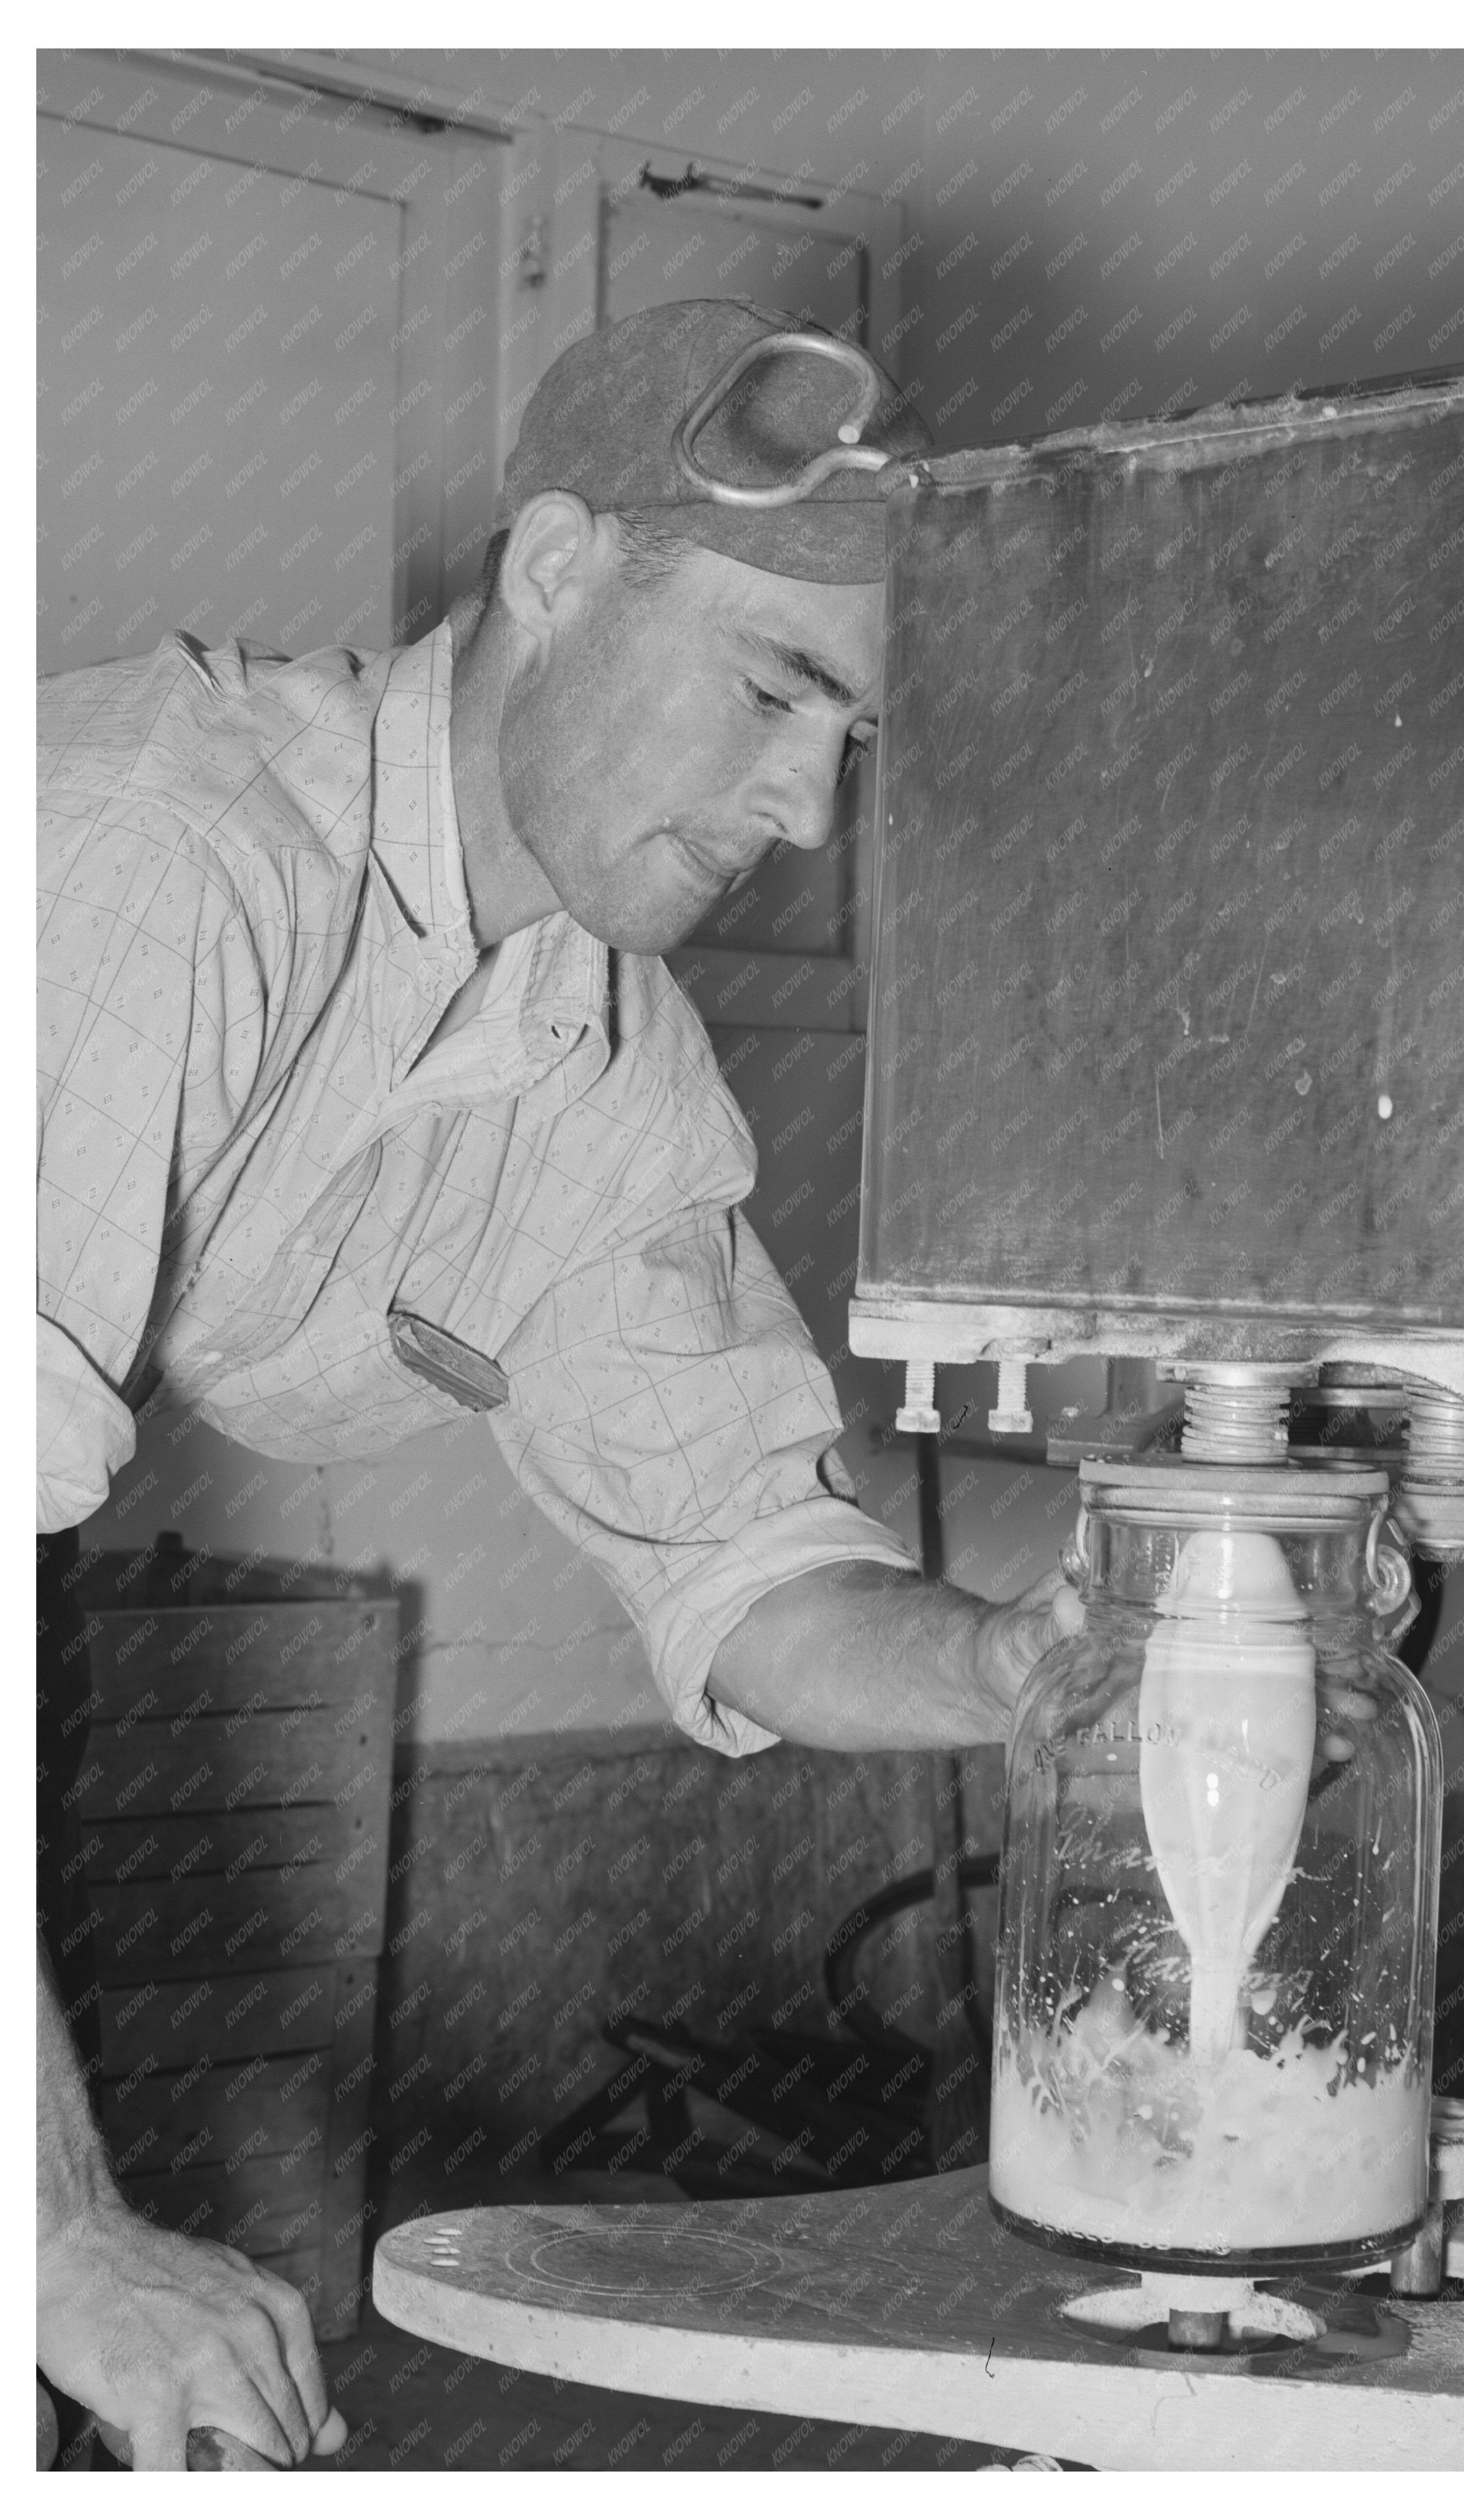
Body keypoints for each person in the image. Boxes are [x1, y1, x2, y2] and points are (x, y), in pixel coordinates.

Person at [36, 298, 1080, 2467]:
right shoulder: (167, 853)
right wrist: (52, 2236)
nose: (805, 811)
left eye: (853, 745)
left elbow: (754, 1567)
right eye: (777, 688)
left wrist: (1028, 1670)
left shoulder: (602, 1066)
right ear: (552, 568)